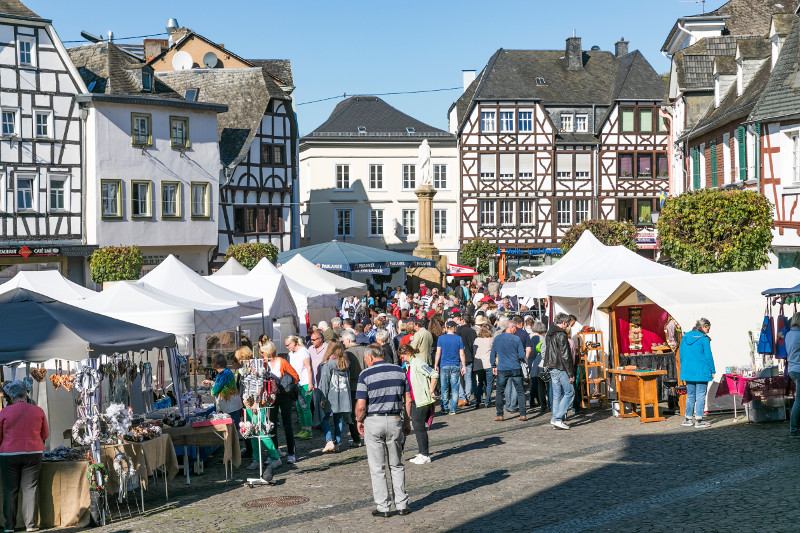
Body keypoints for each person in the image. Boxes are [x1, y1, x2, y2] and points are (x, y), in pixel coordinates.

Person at [355, 345, 412, 517]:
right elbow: (408, 399)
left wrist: (359, 421)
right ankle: (402, 504)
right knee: (396, 464)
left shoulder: (365, 374)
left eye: (365, 359)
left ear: (370, 358)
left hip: (373, 420)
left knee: (377, 467)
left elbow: (361, 405)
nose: (366, 362)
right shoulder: (399, 372)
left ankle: (383, 507)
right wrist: (407, 421)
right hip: (394, 419)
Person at [0, 380, 48, 533]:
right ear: (26, 394)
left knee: (10, 490)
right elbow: (45, 434)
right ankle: (30, 525)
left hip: (9, 453)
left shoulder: (4, 412)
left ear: (12, 397)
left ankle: (9, 527)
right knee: (29, 489)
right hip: (33, 452)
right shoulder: (38, 411)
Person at [398, 343, 439, 464]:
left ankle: (425, 455)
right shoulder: (410, 364)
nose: (402, 358)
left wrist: (431, 389)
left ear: (408, 353)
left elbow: (434, 374)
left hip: (422, 399)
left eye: (402, 356)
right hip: (416, 399)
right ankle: (422, 452)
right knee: (417, 427)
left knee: (419, 427)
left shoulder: (418, 362)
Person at [262, 341, 300, 463]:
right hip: (271, 397)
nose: (261, 354)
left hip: (284, 396)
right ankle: (274, 453)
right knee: (271, 425)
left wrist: (284, 386)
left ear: (269, 351)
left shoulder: (282, 362)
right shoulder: (264, 364)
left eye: (263, 352)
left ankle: (291, 452)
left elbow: (295, 376)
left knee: (287, 424)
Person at [679, 318, 716, 429]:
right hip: (701, 370)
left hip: (687, 370)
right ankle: (699, 420)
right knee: (700, 395)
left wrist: (684, 368)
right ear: (703, 327)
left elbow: (681, 356)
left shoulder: (684, 337)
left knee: (690, 395)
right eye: (708, 329)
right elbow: (708, 356)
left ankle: (688, 418)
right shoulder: (703, 339)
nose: (708, 332)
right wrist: (712, 370)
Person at [316, 341, 352, 453]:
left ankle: (329, 441)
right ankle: (337, 443)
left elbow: (325, 382)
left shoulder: (328, 364)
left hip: (330, 396)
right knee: (338, 420)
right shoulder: (345, 363)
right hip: (343, 395)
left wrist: (322, 398)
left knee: (323, 418)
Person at [490, 321, 527, 421]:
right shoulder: (516, 339)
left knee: (499, 392)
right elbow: (522, 355)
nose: (516, 330)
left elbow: (492, 353)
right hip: (515, 367)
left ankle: (500, 414)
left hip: (502, 368)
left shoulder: (497, 338)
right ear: (512, 328)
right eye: (515, 328)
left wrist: (493, 365)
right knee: (520, 391)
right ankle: (522, 414)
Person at [544, 313, 574, 430]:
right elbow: (566, 356)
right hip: (560, 367)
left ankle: (556, 419)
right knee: (569, 393)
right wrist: (571, 374)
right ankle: (557, 418)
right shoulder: (561, 334)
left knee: (557, 394)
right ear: (564, 323)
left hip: (551, 366)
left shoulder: (550, 332)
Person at [285, 335, 315, 440]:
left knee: (305, 406)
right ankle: (303, 429)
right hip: (297, 384)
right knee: (299, 407)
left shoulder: (303, 351)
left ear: (294, 342)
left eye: (288, 344)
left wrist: (310, 383)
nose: (287, 347)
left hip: (305, 383)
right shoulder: (291, 354)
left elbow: (308, 368)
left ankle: (309, 430)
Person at [203, 353, 244, 428]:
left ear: (218, 364)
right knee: (235, 428)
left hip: (230, 406)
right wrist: (211, 382)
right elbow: (222, 385)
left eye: (213, 362)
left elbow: (214, 391)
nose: (211, 363)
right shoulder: (228, 371)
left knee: (232, 429)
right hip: (235, 404)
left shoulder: (222, 374)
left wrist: (212, 386)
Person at [434, 321, 466, 415]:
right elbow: (462, 354)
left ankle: (444, 407)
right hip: (455, 365)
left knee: (444, 388)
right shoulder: (458, 339)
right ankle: (453, 408)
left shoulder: (441, 338)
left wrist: (436, 364)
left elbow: (438, 352)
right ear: (453, 327)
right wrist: (463, 366)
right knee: (455, 388)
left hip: (444, 365)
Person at [342, 330, 366, 447]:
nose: (343, 343)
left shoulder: (346, 353)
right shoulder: (365, 350)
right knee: (365, 410)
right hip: (366, 384)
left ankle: (356, 439)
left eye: (343, 341)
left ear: (348, 340)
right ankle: (366, 436)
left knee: (353, 413)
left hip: (352, 386)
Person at [454, 312, 477, 407]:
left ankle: (462, 398)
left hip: (459, 357)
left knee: (459, 378)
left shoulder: (459, 331)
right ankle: (467, 397)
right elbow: (474, 346)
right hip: (469, 357)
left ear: (462, 320)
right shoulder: (472, 331)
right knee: (468, 379)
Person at [472, 322, 495, 408]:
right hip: (488, 363)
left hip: (479, 364)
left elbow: (474, 352)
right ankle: (487, 401)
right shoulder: (491, 340)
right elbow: (493, 353)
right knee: (489, 383)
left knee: (480, 382)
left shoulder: (476, 340)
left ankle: (478, 400)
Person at [785, 312, 800, 437]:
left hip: (792, 369)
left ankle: (795, 428)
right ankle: (794, 430)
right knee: (799, 401)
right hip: (799, 369)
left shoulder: (789, 334)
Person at [529, 321, 549, 412]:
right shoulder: (542, 338)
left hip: (533, 363)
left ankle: (538, 403)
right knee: (543, 385)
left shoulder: (529, 337)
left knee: (536, 384)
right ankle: (545, 403)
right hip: (541, 362)